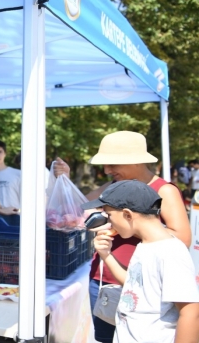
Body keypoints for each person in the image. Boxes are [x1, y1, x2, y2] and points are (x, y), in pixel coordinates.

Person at [83, 131, 191, 343]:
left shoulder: (164, 191)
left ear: (134, 160)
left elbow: (182, 237)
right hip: (105, 279)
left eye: (112, 164)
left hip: (144, 286)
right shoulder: (114, 186)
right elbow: (82, 204)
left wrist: (128, 228)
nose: (107, 170)